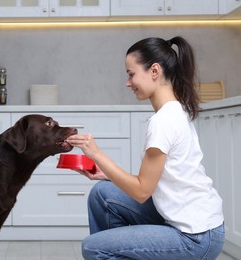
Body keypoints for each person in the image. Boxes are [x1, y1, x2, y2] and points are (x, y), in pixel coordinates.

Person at [66, 36, 225, 259]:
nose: (128, 82)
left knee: (93, 247)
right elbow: (157, 182)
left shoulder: (163, 122)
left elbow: (142, 192)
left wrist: (95, 153)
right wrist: (107, 174)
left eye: (131, 74)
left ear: (154, 71)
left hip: (195, 237)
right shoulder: (173, 111)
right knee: (103, 194)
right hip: (197, 225)